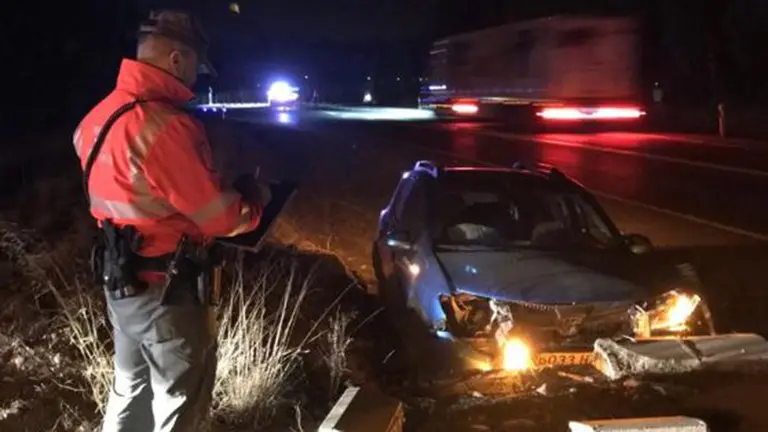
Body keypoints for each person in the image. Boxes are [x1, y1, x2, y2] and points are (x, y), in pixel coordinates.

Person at [72, 10, 270, 431]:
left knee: (129, 394)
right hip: (168, 295)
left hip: (121, 286)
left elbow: (136, 199)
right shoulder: (167, 127)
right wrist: (254, 205)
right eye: (197, 67)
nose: (197, 79)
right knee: (180, 405)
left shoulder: (95, 120)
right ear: (177, 60)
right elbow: (218, 218)